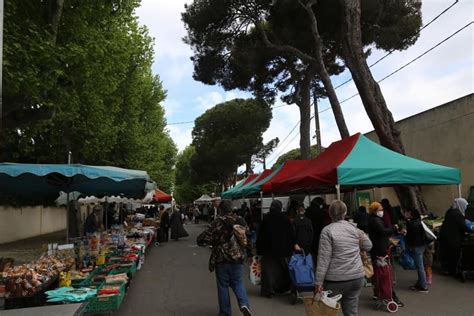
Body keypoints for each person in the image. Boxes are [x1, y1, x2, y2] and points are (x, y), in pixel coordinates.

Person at [315, 200, 372, 316]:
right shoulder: (354, 229)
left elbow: (323, 259)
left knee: (328, 312)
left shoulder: (327, 231)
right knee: (351, 312)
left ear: (330, 214)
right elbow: (368, 246)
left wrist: (318, 282)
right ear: (345, 213)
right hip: (356, 277)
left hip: (335, 280)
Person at [197, 200, 252, 316]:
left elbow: (203, 238)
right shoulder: (240, 220)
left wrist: (209, 241)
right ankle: (244, 304)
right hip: (238, 257)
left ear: (221, 209)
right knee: (238, 283)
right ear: (231, 208)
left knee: (223, 285)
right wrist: (250, 253)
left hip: (221, 258)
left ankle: (225, 313)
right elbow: (248, 235)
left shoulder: (217, 222)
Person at [256, 200, 295, 298]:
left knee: (269, 272)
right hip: (283, 250)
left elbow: (260, 236)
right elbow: (291, 235)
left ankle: (269, 291)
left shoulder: (266, 219)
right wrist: (291, 247)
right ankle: (283, 288)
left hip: (268, 250)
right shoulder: (285, 219)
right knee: (283, 270)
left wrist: (259, 250)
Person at [367, 202, 402, 306]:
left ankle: (379, 293)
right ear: (374, 211)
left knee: (380, 273)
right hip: (381, 251)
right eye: (380, 209)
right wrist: (393, 229)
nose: (382, 211)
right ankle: (389, 295)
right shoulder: (375, 220)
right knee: (385, 274)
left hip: (378, 249)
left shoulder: (374, 219)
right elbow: (382, 232)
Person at [439, 197, 470, 275]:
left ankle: (445, 269)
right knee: (453, 254)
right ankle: (452, 270)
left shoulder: (449, 212)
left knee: (446, 253)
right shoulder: (458, 215)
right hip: (453, 239)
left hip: (445, 237)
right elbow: (463, 226)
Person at [404, 208, 428, 293]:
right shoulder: (419, 221)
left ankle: (424, 286)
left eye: (409, 213)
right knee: (420, 266)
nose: (408, 215)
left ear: (412, 214)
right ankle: (420, 283)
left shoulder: (412, 224)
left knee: (420, 266)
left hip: (416, 246)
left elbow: (410, 236)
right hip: (421, 245)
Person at [305, 197, 331, 263]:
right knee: (318, 249)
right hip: (318, 232)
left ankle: (312, 263)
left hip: (309, 233)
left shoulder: (308, 210)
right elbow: (321, 222)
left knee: (312, 250)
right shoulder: (318, 211)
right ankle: (317, 262)